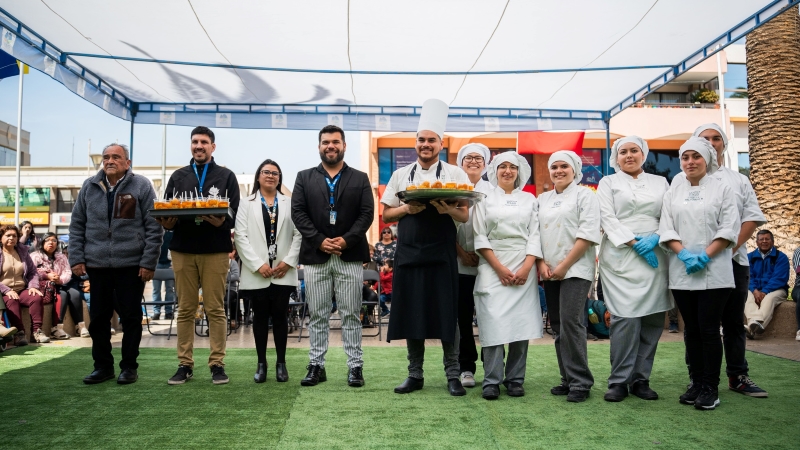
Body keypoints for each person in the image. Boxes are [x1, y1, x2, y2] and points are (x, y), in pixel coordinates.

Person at [381, 99, 470, 396]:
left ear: (441, 144)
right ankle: (414, 374)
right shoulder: (400, 176)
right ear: (415, 143)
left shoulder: (456, 175)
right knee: (411, 311)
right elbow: (385, 215)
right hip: (408, 252)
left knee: (448, 313)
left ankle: (453, 374)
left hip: (442, 252)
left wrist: (447, 210)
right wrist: (407, 210)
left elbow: (464, 214)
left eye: (431, 140)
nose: (426, 144)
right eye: (421, 140)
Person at [69, 143, 162, 384]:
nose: (110, 161)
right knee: (98, 319)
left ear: (127, 163)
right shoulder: (89, 187)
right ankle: (103, 367)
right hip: (97, 264)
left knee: (131, 318)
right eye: (106, 157)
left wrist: (148, 261)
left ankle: (129, 367)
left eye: (116, 157)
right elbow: (77, 225)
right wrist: (76, 258)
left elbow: (154, 227)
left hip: (131, 265)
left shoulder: (141, 185)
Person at [659, 137, 740, 410]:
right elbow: (666, 226)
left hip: (714, 270)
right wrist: (683, 254)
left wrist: (705, 255)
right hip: (682, 270)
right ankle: (695, 382)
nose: (690, 162)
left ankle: (710, 388)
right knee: (690, 330)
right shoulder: (674, 190)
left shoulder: (723, 189)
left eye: (696, 157)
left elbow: (729, 228)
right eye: (685, 157)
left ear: (708, 159)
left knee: (708, 329)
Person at [689, 123, 768, 397]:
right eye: (704, 139)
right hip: (694, 264)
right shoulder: (683, 178)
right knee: (697, 325)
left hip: (735, 260)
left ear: (723, 144)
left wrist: (729, 249)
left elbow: (751, 217)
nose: (711, 143)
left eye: (715, 138)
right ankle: (697, 379)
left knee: (733, 321)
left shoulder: (738, 180)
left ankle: (738, 376)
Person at [291, 125, 374, 387]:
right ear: (319, 146)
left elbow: (367, 214)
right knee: (317, 313)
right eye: (325, 142)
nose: (330, 146)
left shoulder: (360, 178)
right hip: (316, 256)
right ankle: (316, 365)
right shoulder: (304, 177)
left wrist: (347, 240)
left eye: (335, 142)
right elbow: (298, 213)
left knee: (351, 313)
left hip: (349, 256)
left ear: (344, 146)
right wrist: (319, 241)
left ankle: (355, 366)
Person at [158, 126, 240, 386]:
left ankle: (217, 364)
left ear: (213, 147)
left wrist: (222, 224)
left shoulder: (226, 176)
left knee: (215, 309)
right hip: (182, 249)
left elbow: (235, 213)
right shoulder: (179, 176)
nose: (199, 146)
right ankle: (185, 364)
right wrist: (167, 224)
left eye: (204, 142)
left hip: (215, 250)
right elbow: (167, 211)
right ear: (190, 146)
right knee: (185, 309)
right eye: (195, 142)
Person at [597, 136, 672, 402]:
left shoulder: (661, 182)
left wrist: (655, 238)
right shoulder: (608, 182)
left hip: (656, 252)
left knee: (652, 321)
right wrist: (633, 242)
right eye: (623, 152)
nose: (629, 155)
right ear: (615, 158)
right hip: (620, 255)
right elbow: (606, 216)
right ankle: (618, 380)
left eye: (634, 151)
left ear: (644, 154)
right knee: (624, 320)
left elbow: (670, 215)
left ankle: (641, 379)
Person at [473, 152, 543, 400]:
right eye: (502, 166)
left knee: (519, 324)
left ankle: (515, 379)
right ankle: (491, 380)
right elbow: (479, 235)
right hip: (492, 263)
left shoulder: (529, 199)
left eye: (512, 167)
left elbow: (536, 234)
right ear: (494, 170)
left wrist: (527, 266)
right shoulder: (483, 198)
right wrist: (499, 268)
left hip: (523, 261)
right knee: (492, 322)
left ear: (519, 171)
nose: (507, 171)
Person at [537, 150, 601, 403]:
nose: (559, 171)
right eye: (554, 167)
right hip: (550, 270)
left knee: (572, 322)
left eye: (564, 166)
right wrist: (542, 263)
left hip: (575, 269)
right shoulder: (542, 198)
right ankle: (568, 378)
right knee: (557, 325)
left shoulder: (586, 196)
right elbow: (535, 234)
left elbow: (586, 234)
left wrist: (564, 265)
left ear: (575, 169)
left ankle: (581, 382)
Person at [235, 159, 301, 383]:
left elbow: (299, 235)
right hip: (258, 273)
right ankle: (261, 363)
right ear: (258, 176)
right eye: (266, 172)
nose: (271, 176)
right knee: (260, 318)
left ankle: (281, 363)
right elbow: (241, 238)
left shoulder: (290, 203)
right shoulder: (247, 203)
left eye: (275, 173)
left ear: (280, 178)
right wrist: (257, 264)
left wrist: (289, 261)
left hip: (282, 271)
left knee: (281, 318)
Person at [453, 142, 492, 388]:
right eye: (468, 158)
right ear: (461, 162)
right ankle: (466, 367)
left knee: (490, 317)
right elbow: (444, 226)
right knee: (463, 319)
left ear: (486, 163)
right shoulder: (453, 187)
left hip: (488, 265)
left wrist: (484, 254)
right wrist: (462, 254)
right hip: (458, 264)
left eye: (479, 158)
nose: (474, 162)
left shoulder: (494, 189)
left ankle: (493, 366)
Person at [31, 232, 85, 339]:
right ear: (42, 242)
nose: (51, 243)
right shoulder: (35, 256)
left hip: (59, 283)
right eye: (48, 240)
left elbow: (68, 272)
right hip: (44, 285)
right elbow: (31, 272)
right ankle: (56, 328)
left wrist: (59, 280)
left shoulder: (61, 256)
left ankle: (80, 326)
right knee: (62, 295)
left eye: (54, 240)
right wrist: (47, 276)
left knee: (75, 294)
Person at [1, 224, 47, 345]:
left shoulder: (23, 252)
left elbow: (33, 272)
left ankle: (36, 332)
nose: (11, 238)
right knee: (12, 300)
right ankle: (19, 334)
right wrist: (6, 290)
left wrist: (33, 286)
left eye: (14, 236)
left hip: (22, 288)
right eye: (8, 235)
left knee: (36, 297)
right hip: (4, 291)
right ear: (1, 238)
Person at [744, 230, 789, 339]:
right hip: (754, 289)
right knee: (746, 296)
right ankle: (755, 326)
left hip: (777, 290)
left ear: (772, 241)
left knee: (769, 298)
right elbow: (747, 276)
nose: (764, 241)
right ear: (757, 242)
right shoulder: (748, 257)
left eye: (767, 239)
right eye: (761, 239)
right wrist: (754, 290)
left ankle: (751, 328)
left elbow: (779, 278)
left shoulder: (781, 257)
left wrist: (764, 291)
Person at [150, 229, 174, 320]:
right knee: (156, 289)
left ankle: (169, 311)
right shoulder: (157, 230)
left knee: (169, 289)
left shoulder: (172, 232)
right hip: (157, 263)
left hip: (170, 263)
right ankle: (156, 311)